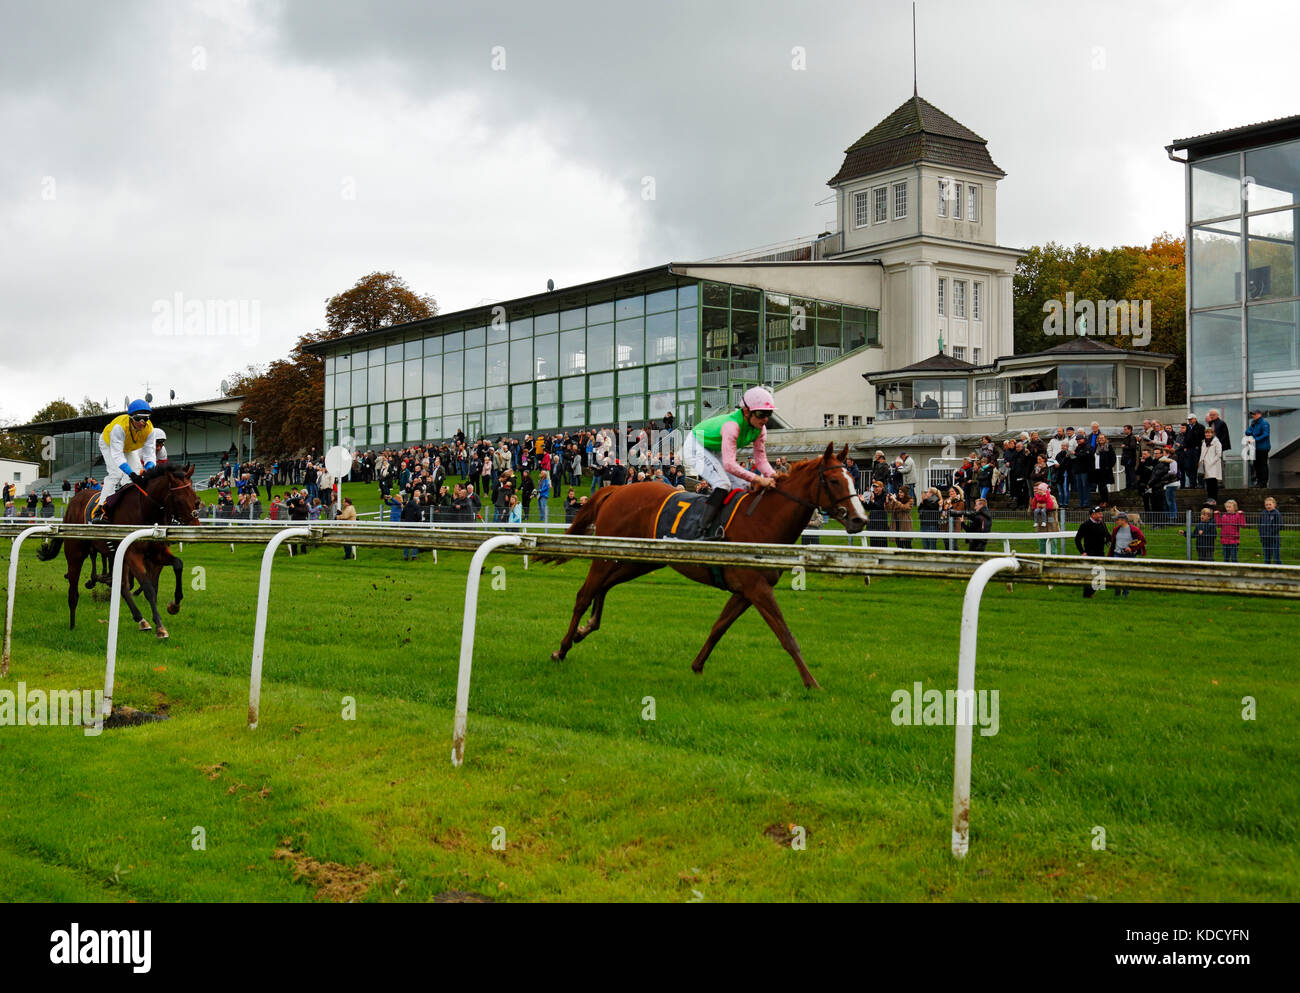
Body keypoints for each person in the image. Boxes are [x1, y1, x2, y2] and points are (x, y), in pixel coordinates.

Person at [682, 386, 778, 539]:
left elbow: (761, 460)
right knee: (723, 484)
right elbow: (729, 465)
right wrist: (759, 479)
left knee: (744, 486)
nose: (765, 419)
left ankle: (728, 525)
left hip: (715, 447)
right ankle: (701, 530)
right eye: (761, 414)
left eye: (769, 414)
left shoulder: (760, 429)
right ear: (746, 412)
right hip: (695, 445)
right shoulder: (732, 426)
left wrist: (775, 477)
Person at [97, 399, 161, 512]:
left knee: (137, 472)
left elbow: (149, 455)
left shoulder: (150, 430)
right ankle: (101, 507)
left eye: (145, 418)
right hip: (108, 443)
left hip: (128, 447)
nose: (142, 422)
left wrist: (149, 470)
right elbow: (117, 455)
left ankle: (126, 502)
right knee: (116, 474)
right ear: (131, 418)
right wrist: (130, 473)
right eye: (138, 418)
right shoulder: (119, 427)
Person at [1107, 510, 1146, 597]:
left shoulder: (1134, 530)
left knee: (1127, 576)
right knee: (1117, 575)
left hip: (1130, 556)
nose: (1116, 521)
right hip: (1117, 554)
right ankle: (1117, 593)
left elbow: (1142, 541)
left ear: (1124, 520)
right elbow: (1113, 543)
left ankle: (1125, 593)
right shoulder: (1115, 530)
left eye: (1117, 520)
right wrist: (1110, 555)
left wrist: (1131, 548)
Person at [1074, 505, 1109, 597]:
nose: (1101, 515)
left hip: (1101, 553)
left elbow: (1108, 536)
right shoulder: (1085, 525)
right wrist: (1082, 552)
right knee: (1090, 575)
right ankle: (1087, 595)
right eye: (1099, 513)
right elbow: (1077, 539)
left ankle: (1093, 593)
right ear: (1093, 514)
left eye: (1101, 513)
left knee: (1100, 574)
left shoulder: (1102, 524)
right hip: (1090, 553)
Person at [1198, 426, 1224, 504]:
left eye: (1209, 433)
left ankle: (1214, 499)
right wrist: (1200, 462)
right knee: (1208, 483)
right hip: (1205, 465)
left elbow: (1219, 454)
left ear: (1213, 433)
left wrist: (1211, 462)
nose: (1208, 434)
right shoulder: (1203, 442)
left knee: (1213, 483)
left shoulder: (1216, 442)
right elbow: (1202, 454)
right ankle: (1209, 498)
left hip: (1213, 466)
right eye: (1206, 432)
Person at [1245, 409, 1270, 487]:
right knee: (1256, 465)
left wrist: (1255, 439)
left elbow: (1266, 434)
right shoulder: (1254, 423)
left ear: (1259, 414)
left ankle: (1263, 482)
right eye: (1252, 414)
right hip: (1255, 448)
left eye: (1254, 414)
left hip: (1263, 447)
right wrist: (1252, 428)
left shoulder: (1264, 423)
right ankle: (1259, 482)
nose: (1253, 416)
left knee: (1263, 465)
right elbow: (1247, 432)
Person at [1259, 496, 1282, 564]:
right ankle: (1267, 570)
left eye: (1270, 504)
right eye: (1266, 504)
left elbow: (1279, 525)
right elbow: (1260, 525)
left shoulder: (1276, 513)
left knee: (1276, 556)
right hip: (1265, 538)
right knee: (1266, 556)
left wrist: (1271, 533)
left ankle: (1279, 570)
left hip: (1274, 538)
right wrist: (1261, 534)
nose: (1268, 506)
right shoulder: (1263, 513)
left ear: (1274, 504)